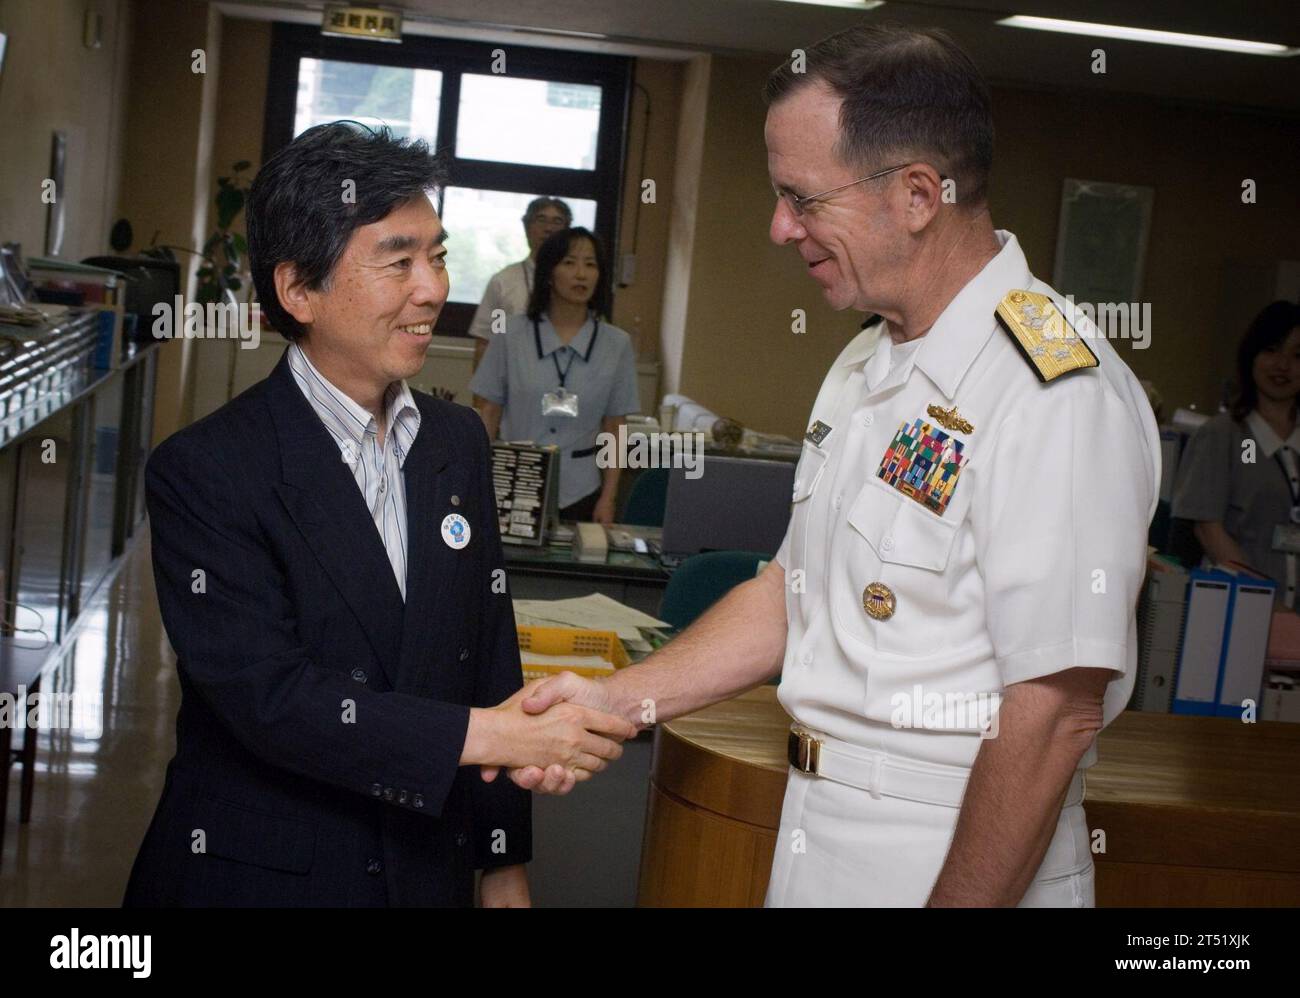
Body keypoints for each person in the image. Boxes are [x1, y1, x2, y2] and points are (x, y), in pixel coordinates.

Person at [491, 23, 1161, 908]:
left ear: (919, 194)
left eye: (801, 199)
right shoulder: (863, 365)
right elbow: (791, 594)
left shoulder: (1054, 391)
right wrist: (618, 701)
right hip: (822, 835)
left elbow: (1052, 710)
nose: (779, 228)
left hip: (955, 856)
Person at [122, 122, 636, 908]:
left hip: (421, 866)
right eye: (398, 261)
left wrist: (502, 864)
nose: (431, 288)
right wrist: (499, 737)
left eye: (436, 255)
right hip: (267, 877)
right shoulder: (209, 470)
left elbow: (487, 653)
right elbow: (274, 701)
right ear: (299, 290)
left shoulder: (456, 441)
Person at [470, 226, 640, 524]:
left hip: (583, 491)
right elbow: (489, 413)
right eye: (569, 262)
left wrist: (609, 498)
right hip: (515, 482)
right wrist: (478, 485)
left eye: (591, 264)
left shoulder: (617, 344)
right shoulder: (510, 334)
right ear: (549, 272)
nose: (581, 274)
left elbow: (616, 429)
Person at [1173, 300, 1300, 607]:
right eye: (1271, 350)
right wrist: (1263, 599)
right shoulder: (1228, 437)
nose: (1282, 365)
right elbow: (1208, 528)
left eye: (1297, 355)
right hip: (1237, 608)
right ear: (1251, 355)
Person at [467, 196, 572, 372]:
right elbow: (489, 340)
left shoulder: (577, 283)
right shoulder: (504, 282)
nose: (549, 229)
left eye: (557, 221)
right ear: (527, 228)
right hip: (513, 376)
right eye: (541, 220)